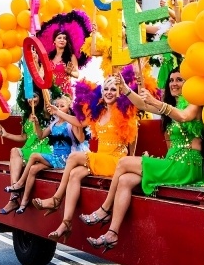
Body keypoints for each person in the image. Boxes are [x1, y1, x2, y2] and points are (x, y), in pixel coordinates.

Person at [81, 68, 204, 252]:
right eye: (171, 80)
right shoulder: (172, 106)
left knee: (123, 162)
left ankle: (104, 209)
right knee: (126, 180)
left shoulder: (195, 104)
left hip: (186, 166)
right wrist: (126, 88)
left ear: (189, 84)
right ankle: (112, 233)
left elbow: (183, 116)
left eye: (179, 80)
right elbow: (142, 106)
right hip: (172, 162)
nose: (174, 83)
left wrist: (156, 102)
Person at [33, 73, 140, 242]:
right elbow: (78, 122)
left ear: (120, 92)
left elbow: (133, 139)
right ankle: (66, 222)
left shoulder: (126, 112)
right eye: (106, 89)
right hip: (101, 158)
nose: (109, 92)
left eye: (114, 89)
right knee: (75, 174)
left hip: (116, 161)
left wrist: (130, 163)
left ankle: (56, 199)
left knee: (74, 157)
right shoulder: (99, 112)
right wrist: (57, 111)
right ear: (102, 92)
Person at [1, 96, 84, 215]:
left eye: (62, 106)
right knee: (34, 168)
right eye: (58, 106)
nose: (59, 108)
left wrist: (78, 125)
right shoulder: (54, 124)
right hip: (55, 157)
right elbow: (41, 136)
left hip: (65, 159)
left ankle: (19, 184)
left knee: (34, 156)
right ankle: (23, 203)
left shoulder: (70, 124)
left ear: (69, 108)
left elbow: (81, 139)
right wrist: (37, 124)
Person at [49, 31, 79, 97]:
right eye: (59, 38)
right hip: (51, 92)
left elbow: (77, 74)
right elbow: (42, 74)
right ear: (54, 41)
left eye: (64, 38)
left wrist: (70, 72)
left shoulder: (71, 56)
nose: (62, 40)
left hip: (65, 93)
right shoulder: (49, 57)